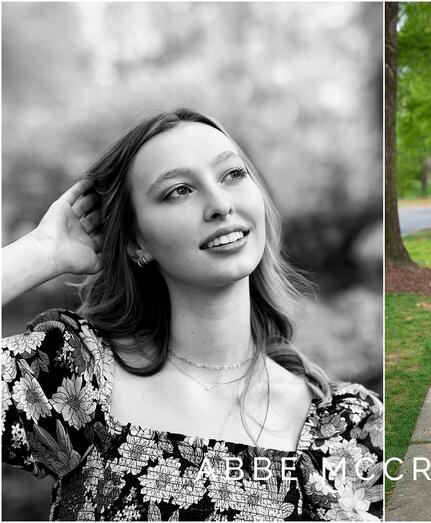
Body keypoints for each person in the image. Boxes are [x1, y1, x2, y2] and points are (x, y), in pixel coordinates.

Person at [1, 108, 383, 520]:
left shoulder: (352, 425)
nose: (220, 205)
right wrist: (40, 251)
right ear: (136, 242)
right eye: (179, 190)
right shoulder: (73, 375)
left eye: (233, 174)